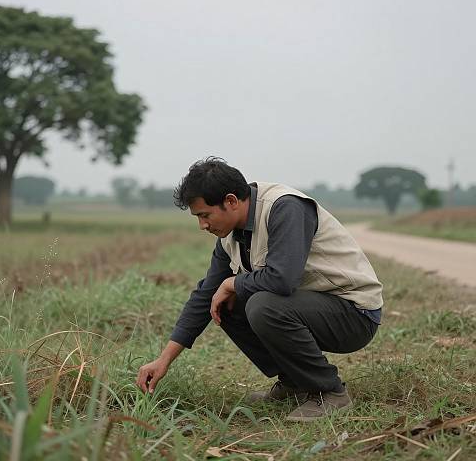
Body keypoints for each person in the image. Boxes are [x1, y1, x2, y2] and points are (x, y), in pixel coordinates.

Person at [136, 157, 383, 422]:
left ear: (230, 201)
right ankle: (295, 383)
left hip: (353, 314)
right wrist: (164, 360)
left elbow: (282, 280)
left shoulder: (285, 208)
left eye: (205, 215)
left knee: (261, 304)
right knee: (224, 303)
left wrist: (232, 282)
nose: (202, 225)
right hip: (312, 307)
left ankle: (329, 392)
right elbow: (205, 294)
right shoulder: (229, 235)